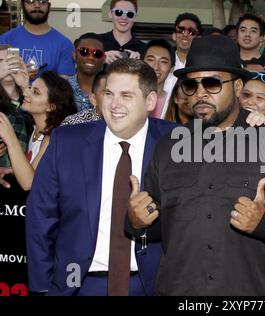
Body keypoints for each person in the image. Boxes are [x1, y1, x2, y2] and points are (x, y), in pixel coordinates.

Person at [126, 35, 265, 296]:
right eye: (191, 85)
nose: (200, 93)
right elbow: (155, 227)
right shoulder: (168, 148)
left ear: (238, 87)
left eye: (212, 83)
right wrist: (137, 223)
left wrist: (264, 222)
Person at [25, 59, 176, 295]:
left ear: (150, 101)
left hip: (151, 285)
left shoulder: (175, 142)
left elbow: (220, 135)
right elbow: (40, 216)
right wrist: (42, 286)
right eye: (109, 93)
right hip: (77, 283)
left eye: (126, 95)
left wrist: (254, 121)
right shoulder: (66, 142)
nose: (114, 104)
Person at [0, 71, 76, 191]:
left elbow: (29, 183)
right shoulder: (36, 129)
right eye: (30, 88)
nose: (26, 93)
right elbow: (36, 170)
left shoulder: (52, 137)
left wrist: (10, 139)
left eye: (35, 92)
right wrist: (11, 171)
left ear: (51, 106)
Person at [0, 0, 75, 78]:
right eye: (31, 1)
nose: (37, 5)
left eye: (42, 1)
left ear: (49, 6)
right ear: (22, 5)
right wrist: (20, 76)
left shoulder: (64, 44)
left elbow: (64, 86)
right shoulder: (5, 41)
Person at [163, 13, 203, 101]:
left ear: (198, 38)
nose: (185, 34)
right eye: (181, 30)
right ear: (174, 35)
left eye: (191, 31)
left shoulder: (203, 65)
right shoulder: (163, 60)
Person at [68, 33, 106, 112]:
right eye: (84, 51)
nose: (91, 57)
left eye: (97, 53)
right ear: (74, 55)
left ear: (104, 59)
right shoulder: (62, 88)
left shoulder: (111, 89)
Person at [99, 0, 145, 64]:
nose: (124, 17)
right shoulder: (96, 41)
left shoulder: (144, 50)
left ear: (135, 17)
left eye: (130, 14)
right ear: (110, 14)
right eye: (118, 12)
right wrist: (99, 58)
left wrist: (141, 63)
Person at [142, 39, 175, 119]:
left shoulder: (174, 102)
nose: (156, 67)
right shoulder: (130, 97)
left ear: (172, 68)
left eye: (163, 62)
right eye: (150, 60)